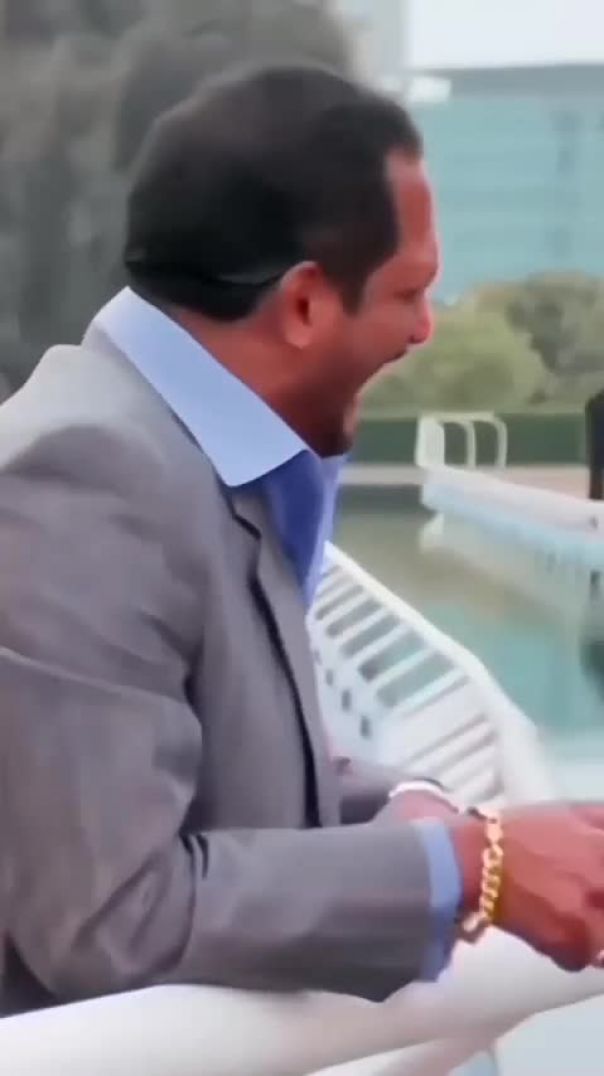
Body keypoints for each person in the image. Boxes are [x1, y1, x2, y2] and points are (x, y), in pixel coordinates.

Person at [2, 64, 604, 1018]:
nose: (425, 331)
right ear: (307, 304)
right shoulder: (83, 479)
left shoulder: (187, 453)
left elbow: (216, 769)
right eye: (411, 292)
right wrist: (473, 868)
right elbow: (113, 914)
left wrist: (418, 814)